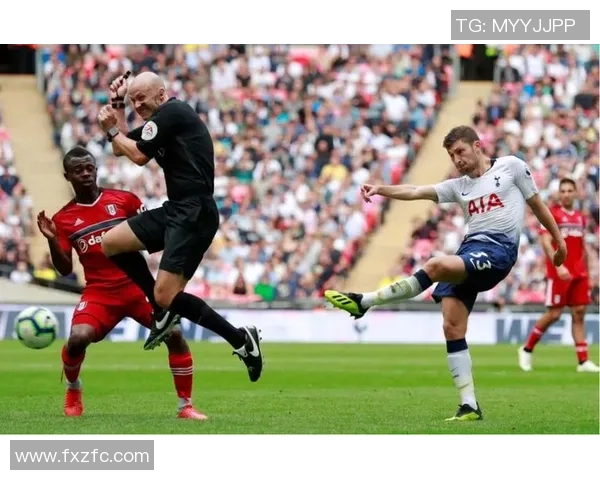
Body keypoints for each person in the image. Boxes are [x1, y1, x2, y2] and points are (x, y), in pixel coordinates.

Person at [324, 125, 568, 421]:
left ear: (477, 146)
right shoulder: (458, 186)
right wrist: (380, 189)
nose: (457, 159)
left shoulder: (511, 167)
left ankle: (365, 302)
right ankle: (469, 406)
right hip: (470, 250)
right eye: (452, 155)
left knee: (436, 265)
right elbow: (415, 191)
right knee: (452, 328)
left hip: (499, 251)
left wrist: (559, 241)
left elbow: (537, 205)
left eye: (460, 151)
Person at [96, 71, 263, 382]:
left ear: (161, 94)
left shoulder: (173, 112)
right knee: (111, 243)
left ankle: (241, 339)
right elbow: (122, 148)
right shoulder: (158, 123)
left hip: (195, 212)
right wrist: (118, 105)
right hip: (177, 209)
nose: (137, 105)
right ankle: (162, 311)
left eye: (141, 98)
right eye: (133, 101)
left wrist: (111, 130)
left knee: (165, 295)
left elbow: (136, 155)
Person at [37, 146, 207, 420]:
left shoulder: (124, 201)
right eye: (78, 170)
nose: (85, 174)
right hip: (100, 293)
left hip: (137, 288)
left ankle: (185, 406)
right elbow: (65, 269)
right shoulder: (63, 219)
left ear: (96, 169)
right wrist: (52, 240)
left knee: (174, 334)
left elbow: (153, 235)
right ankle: (73, 388)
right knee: (77, 339)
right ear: (67, 176)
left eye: (89, 168)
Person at [519, 178, 599, 373]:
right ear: (558, 194)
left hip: (579, 272)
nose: (566, 194)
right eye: (563, 191)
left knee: (579, 314)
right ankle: (527, 349)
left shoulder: (580, 217)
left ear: (576, 193)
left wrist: (589, 274)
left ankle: (583, 361)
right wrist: (559, 266)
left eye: (570, 191)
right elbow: (545, 241)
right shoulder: (552, 214)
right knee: (554, 314)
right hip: (559, 273)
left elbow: (582, 247)